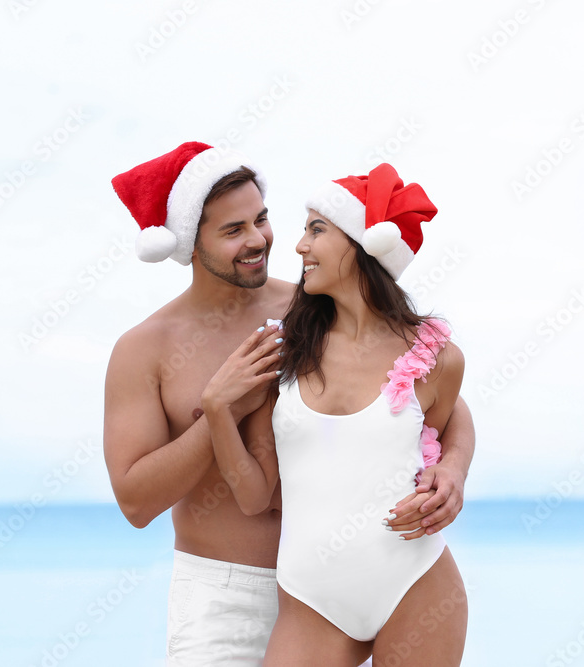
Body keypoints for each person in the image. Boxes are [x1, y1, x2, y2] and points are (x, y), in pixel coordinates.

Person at [104, 142, 475, 665]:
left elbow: (427, 396)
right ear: (191, 241)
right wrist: (220, 408)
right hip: (225, 597)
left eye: (261, 219)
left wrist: (453, 470)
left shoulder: (307, 307)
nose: (259, 240)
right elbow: (135, 502)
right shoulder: (145, 349)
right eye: (233, 231)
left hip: (352, 576)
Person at [202, 163, 468, 666]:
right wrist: (217, 411)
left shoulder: (435, 357)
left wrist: (452, 469)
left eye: (317, 229)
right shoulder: (280, 351)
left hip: (417, 584)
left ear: (366, 244)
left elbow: (453, 422)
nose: (299, 246)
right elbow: (257, 496)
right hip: (310, 601)